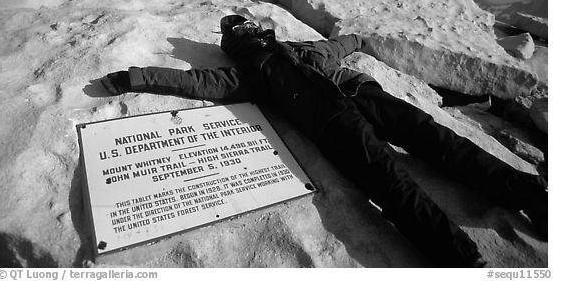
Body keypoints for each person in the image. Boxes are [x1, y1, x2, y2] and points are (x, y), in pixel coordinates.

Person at [100, 14, 547, 267]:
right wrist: (135, 77)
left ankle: (530, 194)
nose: (248, 27)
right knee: (389, 184)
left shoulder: (296, 49)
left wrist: (357, 37)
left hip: (363, 94)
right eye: (239, 29)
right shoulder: (245, 75)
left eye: (247, 23)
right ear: (235, 43)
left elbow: (339, 47)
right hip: (332, 123)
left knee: (440, 141)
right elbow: (193, 81)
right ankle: (461, 259)